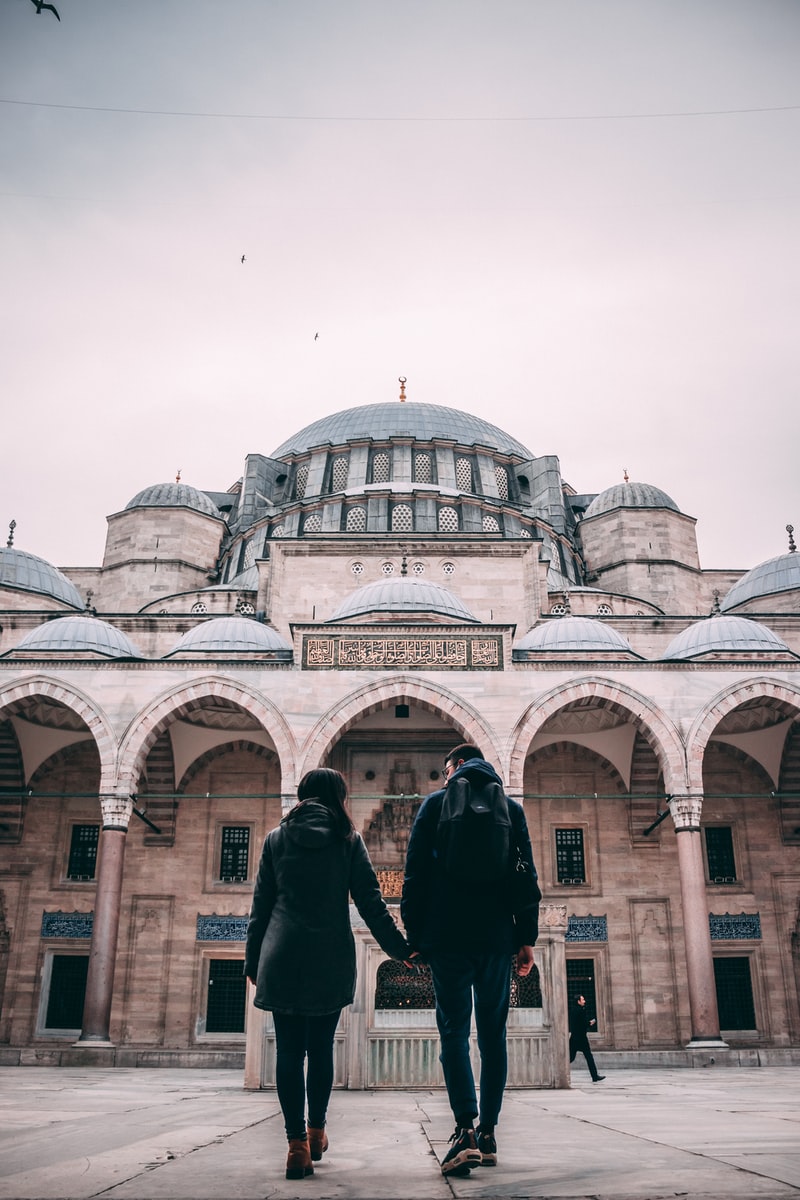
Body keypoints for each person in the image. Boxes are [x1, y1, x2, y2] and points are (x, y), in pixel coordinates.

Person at [245, 768, 413, 1181]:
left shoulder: (275, 839)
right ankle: (317, 1131)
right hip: (329, 957)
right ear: (339, 797)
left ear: (302, 796)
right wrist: (400, 950)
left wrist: (253, 961)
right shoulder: (347, 840)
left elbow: (260, 909)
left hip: (281, 956)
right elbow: (372, 904)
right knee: (320, 1050)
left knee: (289, 1051)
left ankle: (296, 1144)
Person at [401, 743, 540, 1177]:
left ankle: (464, 1131)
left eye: (446, 770)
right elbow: (526, 877)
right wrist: (526, 939)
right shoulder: (510, 809)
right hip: (497, 938)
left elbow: (415, 873)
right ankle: (490, 1132)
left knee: (454, 1033)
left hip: (447, 938)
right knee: (493, 1036)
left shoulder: (435, 804)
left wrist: (415, 934)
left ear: (456, 766)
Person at [568, 994, 605, 1082]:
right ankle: (595, 1076)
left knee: (571, 1057)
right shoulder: (581, 1011)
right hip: (581, 1038)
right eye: (583, 1000)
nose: (584, 1001)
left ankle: (556, 1068)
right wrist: (590, 1023)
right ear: (578, 1002)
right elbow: (583, 1024)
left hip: (574, 1038)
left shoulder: (572, 1011)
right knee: (589, 1057)